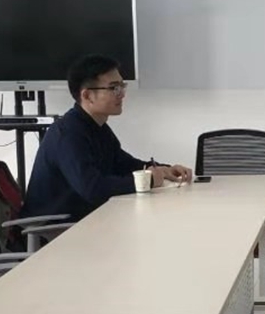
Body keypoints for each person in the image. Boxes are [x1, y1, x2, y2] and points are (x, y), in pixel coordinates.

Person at [21, 55, 192, 222]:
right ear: (87, 95)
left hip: (87, 220)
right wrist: (149, 180)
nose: (122, 94)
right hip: (54, 228)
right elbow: (93, 188)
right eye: (114, 88)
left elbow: (123, 164)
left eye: (122, 86)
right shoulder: (67, 134)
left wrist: (163, 169)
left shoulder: (97, 127)